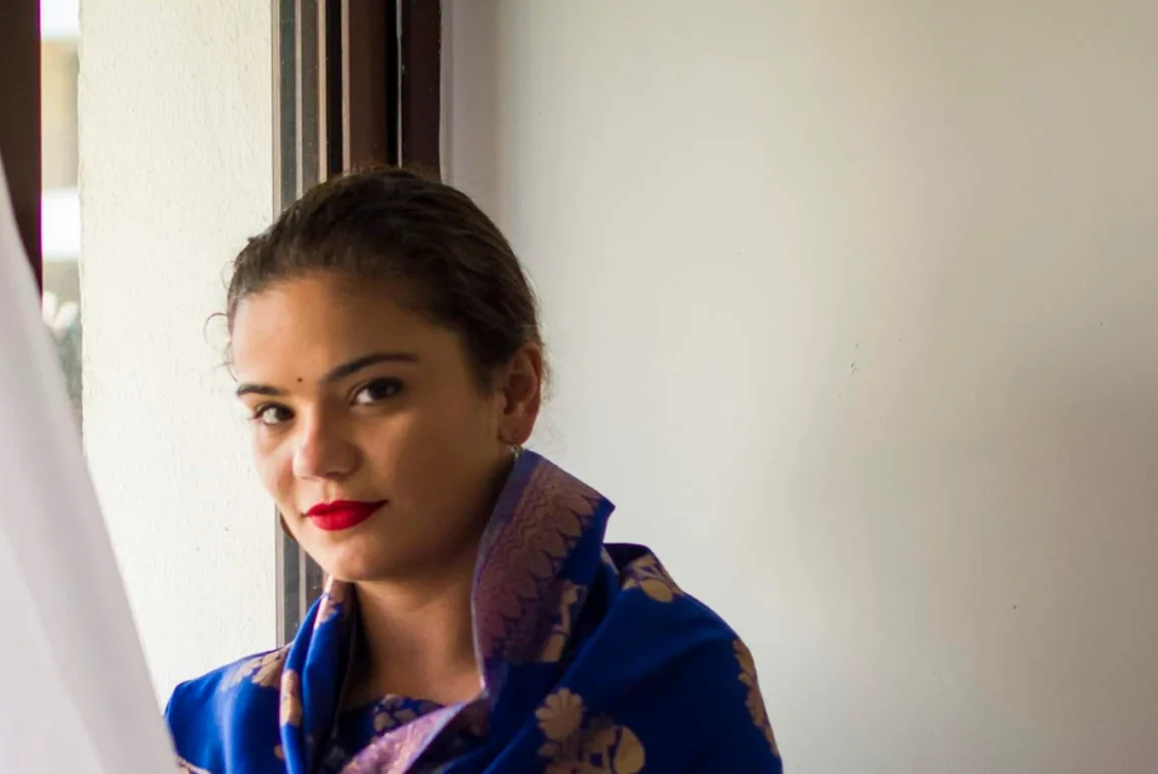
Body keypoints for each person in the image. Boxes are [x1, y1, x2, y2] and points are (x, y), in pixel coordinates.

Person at [164, 169, 783, 773]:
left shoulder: (674, 684)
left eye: (375, 391)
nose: (314, 457)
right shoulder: (208, 736)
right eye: (274, 412)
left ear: (513, 393)